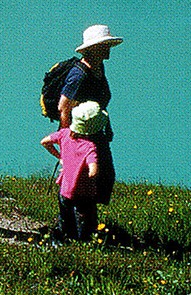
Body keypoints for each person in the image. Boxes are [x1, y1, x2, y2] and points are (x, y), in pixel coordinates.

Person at [58, 24, 122, 206]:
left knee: (103, 176)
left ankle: (85, 221)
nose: (108, 49)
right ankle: (77, 223)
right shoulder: (78, 75)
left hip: (96, 132)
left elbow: (100, 102)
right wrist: (67, 139)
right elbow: (63, 107)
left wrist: (107, 126)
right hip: (79, 135)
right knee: (83, 178)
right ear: (94, 48)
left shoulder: (99, 68)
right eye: (105, 45)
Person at [41, 101, 109, 241]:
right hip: (84, 193)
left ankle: (64, 237)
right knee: (85, 220)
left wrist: (60, 156)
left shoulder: (64, 134)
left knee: (65, 216)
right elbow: (93, 171)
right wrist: (95, 171)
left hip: (65, 190)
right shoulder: (90, 147)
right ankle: (83, 242)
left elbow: (45, 142)